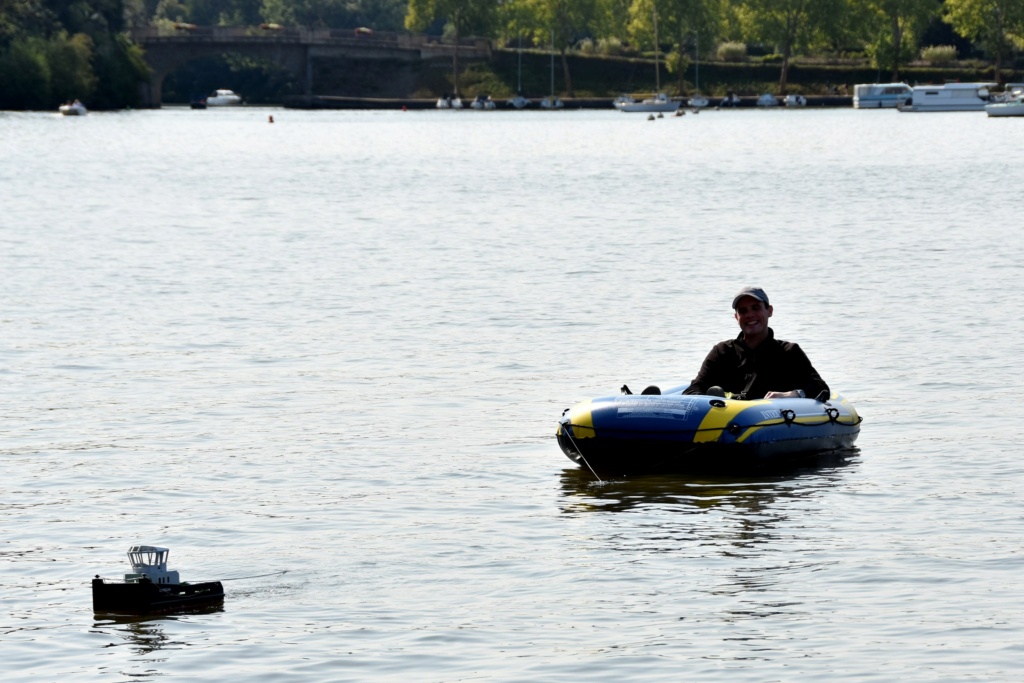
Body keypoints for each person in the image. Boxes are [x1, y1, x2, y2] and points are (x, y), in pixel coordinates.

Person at [682, 287, 829, 400]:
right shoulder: (722, 351)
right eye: (743, 311)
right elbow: (694, 389)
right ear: (736, 317)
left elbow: (820, 387)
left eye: (756, 307)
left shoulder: (789, 352)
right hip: (724, 421)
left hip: (774, 424)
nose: (749, 315)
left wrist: (791, 395)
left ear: (769, 311)